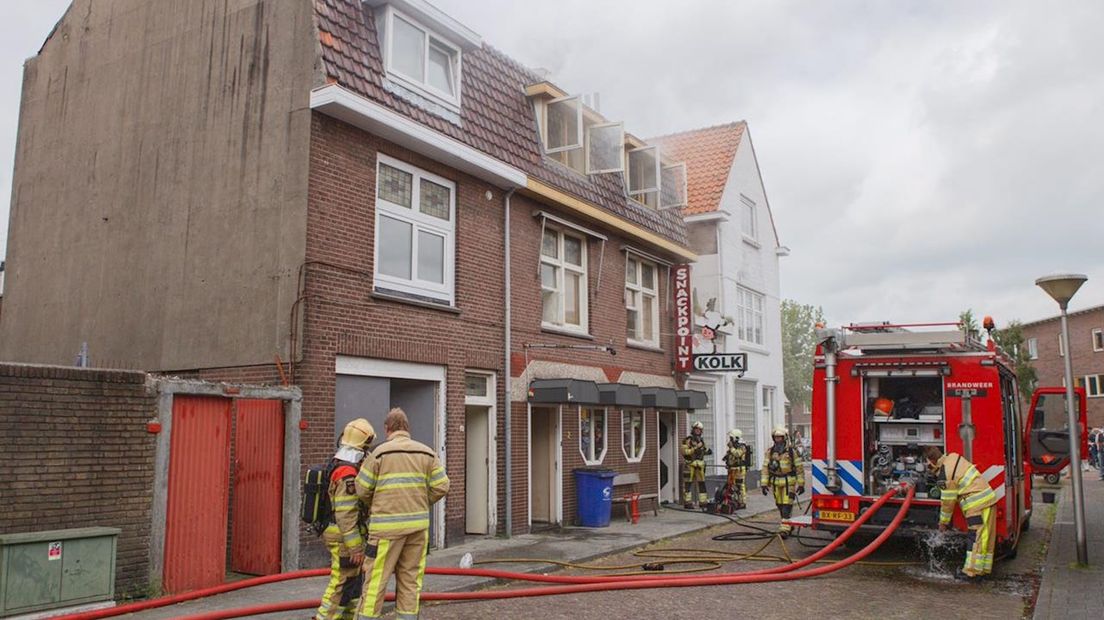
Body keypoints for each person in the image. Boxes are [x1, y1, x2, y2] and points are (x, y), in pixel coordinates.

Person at [356, 408, 449, 620]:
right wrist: (420, 502)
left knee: (375, 582)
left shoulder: (379, 453)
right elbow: (442, 486)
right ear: (407, 428)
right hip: (418, 529)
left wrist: (377, 503)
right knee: (410, 580)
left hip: (385, 531)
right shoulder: (426, 452)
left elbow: (361, 489)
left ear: (387, 429)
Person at [315, 419, 375, 620]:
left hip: (340, 534)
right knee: (341, 583)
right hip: (343, 537)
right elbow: (346, 513)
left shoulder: (337, 463)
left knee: (353, 584)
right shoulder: (347, 473)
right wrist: (355, 547)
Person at [923, 446, 998, 580]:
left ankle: (971, 572)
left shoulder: (945, 474)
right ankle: (983, 570)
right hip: (987, 500)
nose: (928, 468)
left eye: (928, 464)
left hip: (976, 504)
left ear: (932, 460)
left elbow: (948, 502)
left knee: (976, 537)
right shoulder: (953, 458)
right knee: (986, 536)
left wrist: (943, 523)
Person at [761, 426, 804, 538]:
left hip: (788, 482)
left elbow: (799, 467)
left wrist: (801, 484)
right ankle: (788, 524)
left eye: (780, 438)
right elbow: (765, 468)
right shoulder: (770, 452)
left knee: (787, 505)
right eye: (776, 438)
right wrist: (764, 484)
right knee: (779, 505)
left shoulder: (791, 451)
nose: (778, 440)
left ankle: (784, 529)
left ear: (784, 438)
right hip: (775, 482)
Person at [681, 421, 712, 508]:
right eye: (696, 429)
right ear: (693, 430)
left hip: (700, 465)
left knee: (702, 484)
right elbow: (684, 452)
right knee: (688, 484)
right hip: (690, 464)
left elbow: (702, 452)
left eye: (699, 430)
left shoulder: (702, 441)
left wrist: (707, 452)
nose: (698, 431)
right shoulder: (687, 440)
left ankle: (703, 502)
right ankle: (687, 503)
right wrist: (694, 449)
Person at [722, 429, 751, 510]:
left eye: (731, 438)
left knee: (740, 486)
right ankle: (734, 501)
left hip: (739, 469)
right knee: (731, 485)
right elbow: (731, 456)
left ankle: (742, 502)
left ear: (736, 437)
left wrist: (731, 448)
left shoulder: (742, 446)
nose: (730, 440)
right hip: (732, 469)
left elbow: (738, 454)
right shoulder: (734, 446)